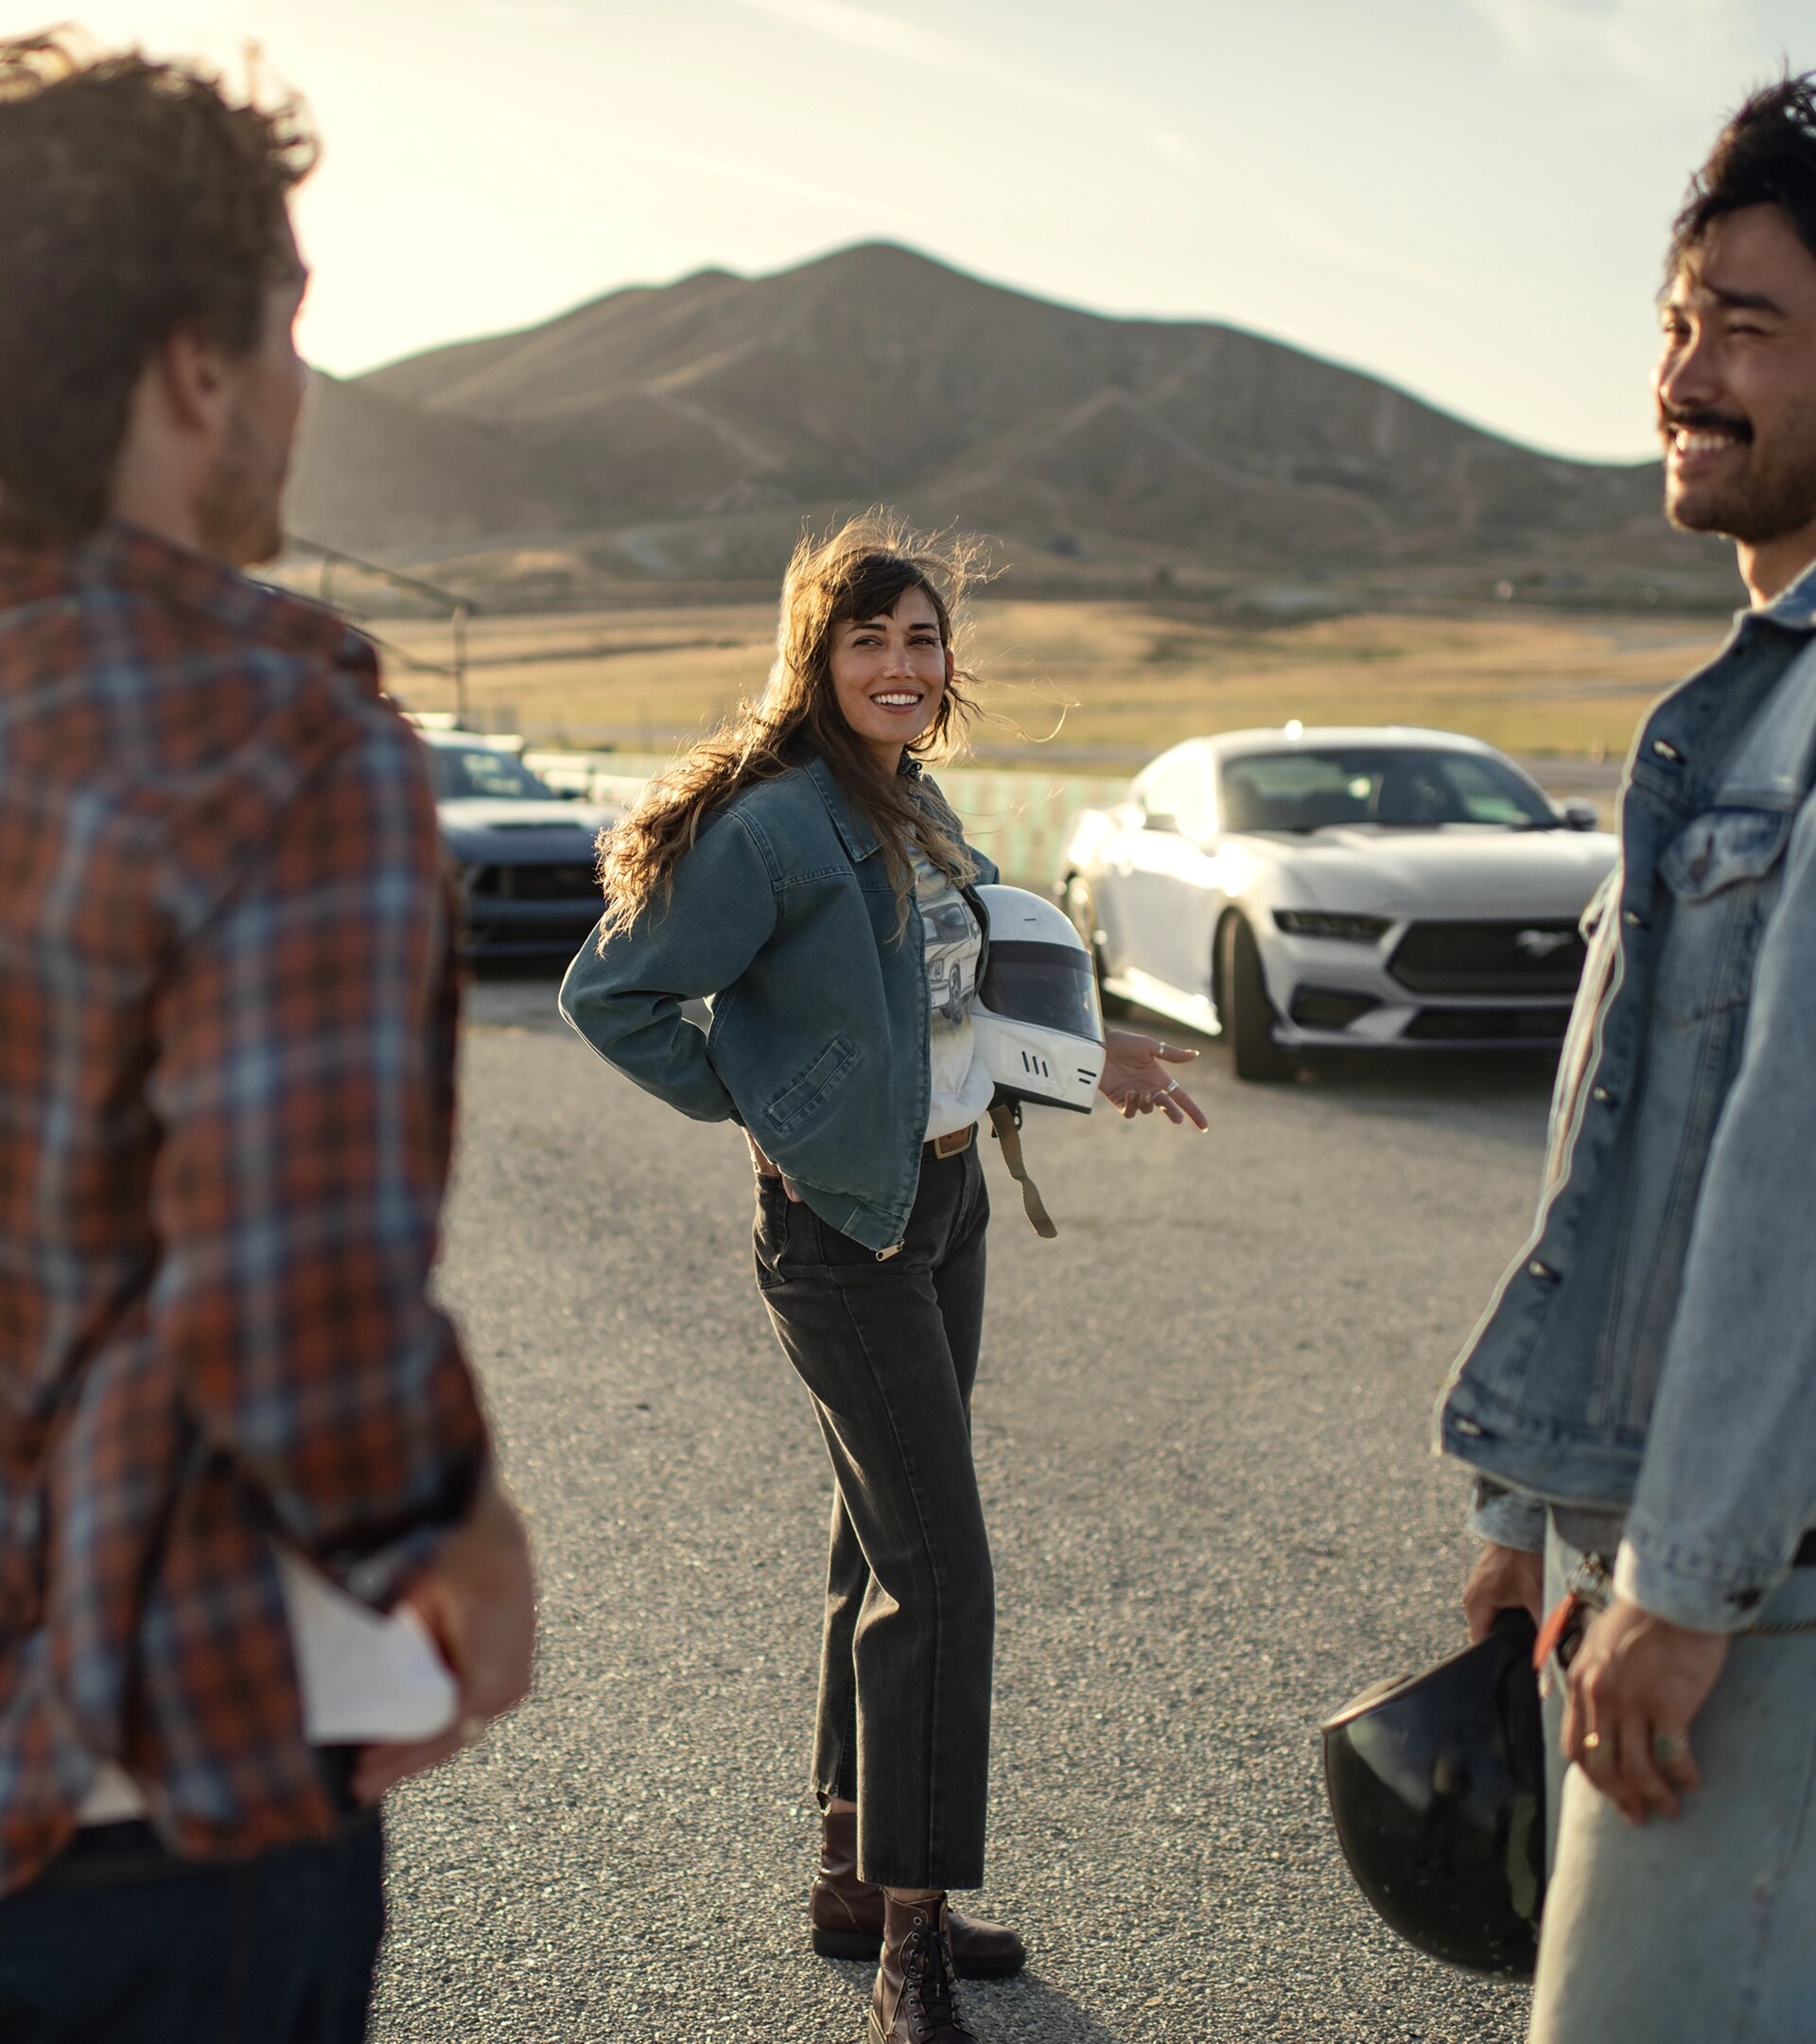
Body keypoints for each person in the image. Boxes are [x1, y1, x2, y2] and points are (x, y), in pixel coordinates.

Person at [0, 36, 535, 2042]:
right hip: (148, 1831)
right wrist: (459, 1536)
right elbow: (300, 1321)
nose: (303, 386)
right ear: (193, 366)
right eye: (291, 329)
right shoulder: (278, 738)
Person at [561, 515, 1204, 2044]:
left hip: (945, 1203)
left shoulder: (915, 810)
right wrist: (768, 1110)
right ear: (818, 659)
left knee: (882, 1539)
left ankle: (857, 1875)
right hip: (843, 1231)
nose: (904, 666)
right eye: (872, 641)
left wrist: (1089, 1056)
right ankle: (910, 1949)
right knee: (944, 1571)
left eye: (922, 640)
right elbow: (614, 989)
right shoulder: (781, 825)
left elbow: (964, 1002)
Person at [1437, 74, 1816, 2044]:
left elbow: (1796, 1163)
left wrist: (1686, 1580)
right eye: (1678, 322)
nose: (1686, 371)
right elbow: (1623, 1137)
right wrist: (1523, 1512)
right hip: (1690, 1565)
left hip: (1761, 1605)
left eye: (1746, 327)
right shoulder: (1727, 727)